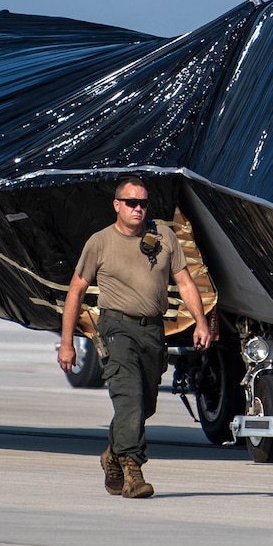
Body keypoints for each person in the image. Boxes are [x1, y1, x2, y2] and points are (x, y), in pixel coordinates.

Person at [57, 177, 212, 499]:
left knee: (145, 405)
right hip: (116, 329)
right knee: (129, 400)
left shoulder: (164, 236)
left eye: (143, 203)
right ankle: (133, 471)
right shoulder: (100, 242)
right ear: (117, 205)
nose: (138, 208)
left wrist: (200, 322)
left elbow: (184, 282)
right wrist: (68, 342)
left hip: (153, 331)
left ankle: (111, 455)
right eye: (131, 202)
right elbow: (76, 291)